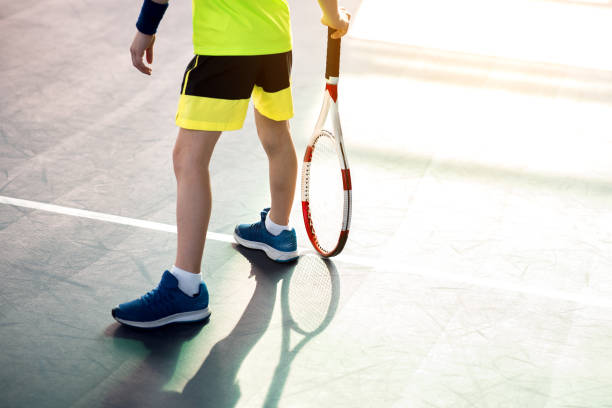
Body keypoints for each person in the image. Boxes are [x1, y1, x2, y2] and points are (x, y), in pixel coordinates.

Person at [111, 0, 350, 328]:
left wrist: (145, 29)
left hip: (225, 45)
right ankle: (278, 232)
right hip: (273, 41)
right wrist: (333, 16)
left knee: (189, 159)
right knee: (277, 136)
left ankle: (185, 288)